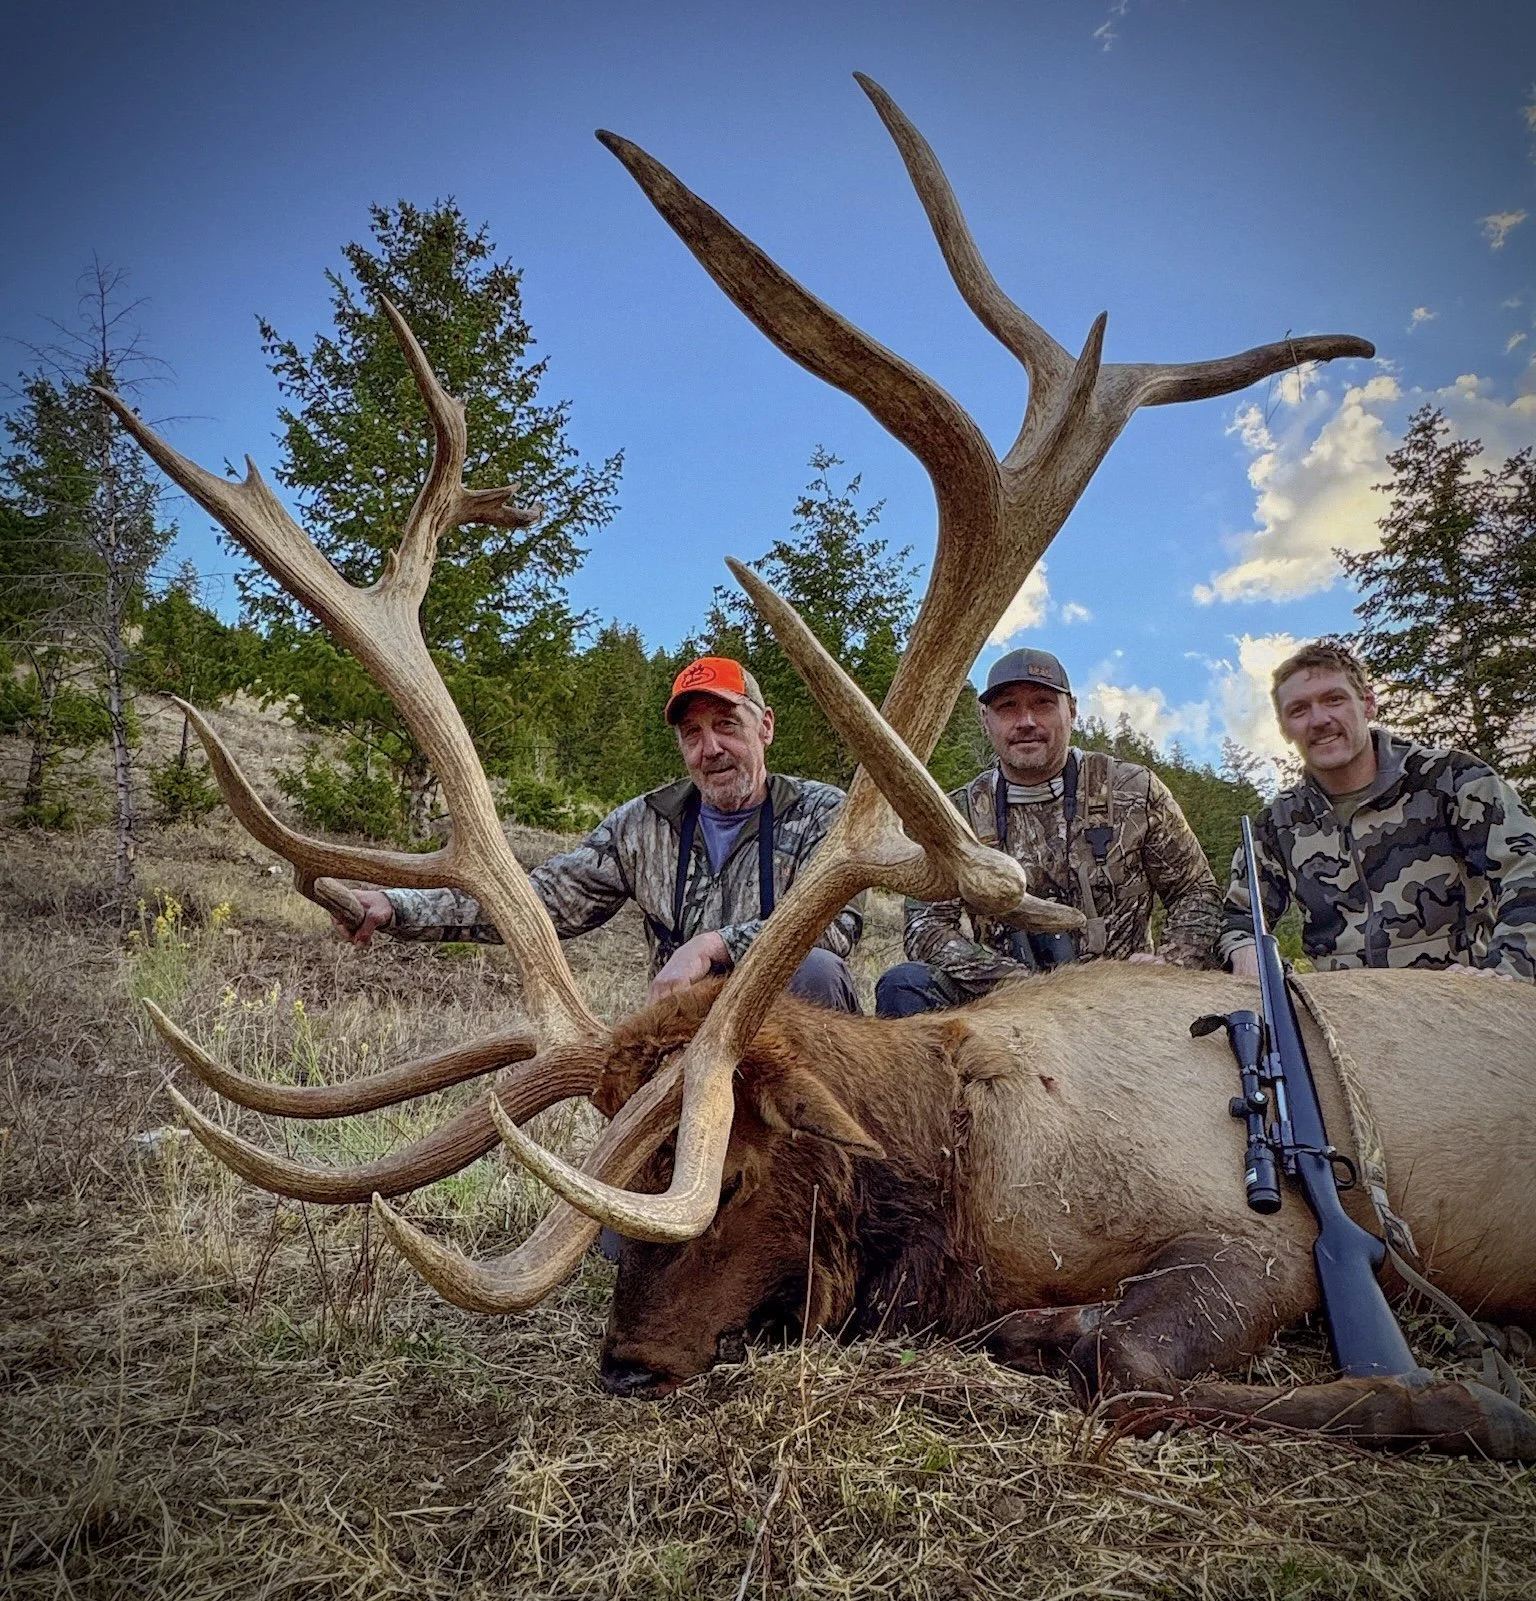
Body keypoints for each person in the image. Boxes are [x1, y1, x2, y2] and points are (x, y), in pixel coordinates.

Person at [343, 655, 863, 1011]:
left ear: (765, 727)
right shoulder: (643, 824)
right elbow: (543, 902)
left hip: (795, 1027)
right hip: (684, 1025)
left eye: (727, 725)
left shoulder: (821, 811)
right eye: (692, 734)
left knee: (816, 970)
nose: (710, 749)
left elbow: (835, 925)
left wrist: (710, 946)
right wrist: (400, 906)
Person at [876, 648, 1222, 1017]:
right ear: (984, 719)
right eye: (1007, 706)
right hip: (1005, 1002)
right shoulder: (956, 816)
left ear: (1071, 710)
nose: (1025, 721)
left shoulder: (1134, 790)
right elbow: (926, 927)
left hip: (1124, 1004)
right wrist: (1015, 982)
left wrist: (1170, 961)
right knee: (905, 985)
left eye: (1042, 704)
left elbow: (1196, 891)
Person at [1221, 639, 1536, 982]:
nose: (1319, 719)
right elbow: (1241, 917)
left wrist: (1509, 972)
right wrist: (1244, 948)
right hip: (1346, 1014)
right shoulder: (1277, 824)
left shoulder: (1452, 779)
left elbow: (1526, 866)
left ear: (1368, 703)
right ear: (1284, 728)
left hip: (1459, 1000)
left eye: (1334, 699)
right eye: (1298, 709)